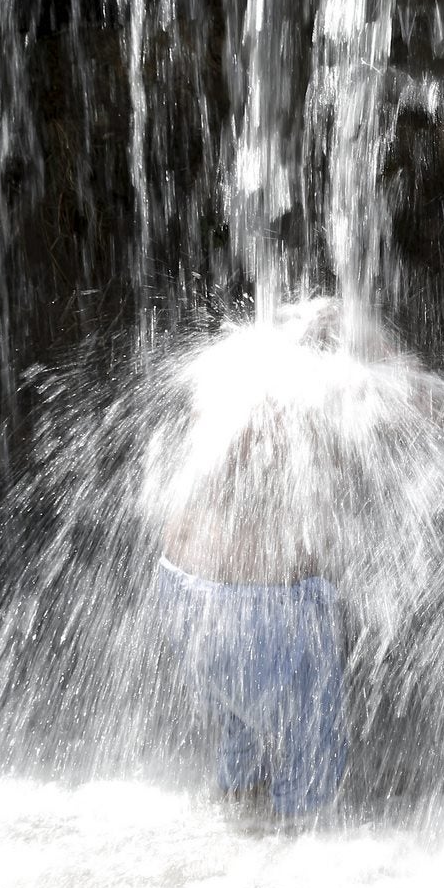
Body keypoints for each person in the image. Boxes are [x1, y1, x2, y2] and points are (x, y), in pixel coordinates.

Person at [149, 302, 353, 817]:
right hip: (270, 613)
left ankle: (237, 801)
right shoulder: (326, 399)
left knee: (245, 720)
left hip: (181, 597)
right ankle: (297, 835)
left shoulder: (226, 375)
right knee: (311, 742)